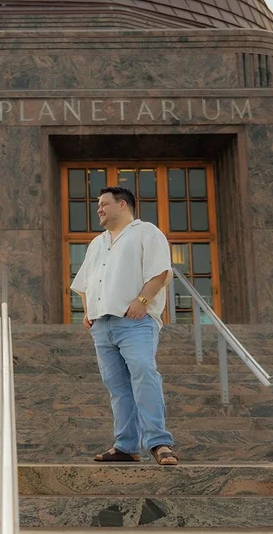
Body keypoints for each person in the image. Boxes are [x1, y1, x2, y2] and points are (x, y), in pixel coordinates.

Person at [71, 186, 178, 466]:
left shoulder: (146, 232)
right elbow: (84, 283)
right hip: (102, 325)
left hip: (135, 321)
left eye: (104, 204)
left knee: (144, 372)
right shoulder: (97, 243)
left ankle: (159, 442)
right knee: (117, 386)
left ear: (122, 205)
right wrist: (87, 311)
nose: (99, 209)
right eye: (98, 205)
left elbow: (161, 271)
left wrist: (143, 300)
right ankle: (126, 446)